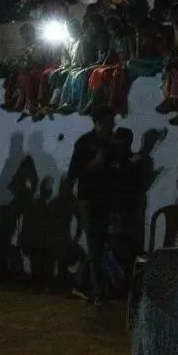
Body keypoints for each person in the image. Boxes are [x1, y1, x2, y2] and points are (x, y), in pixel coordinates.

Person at [67, 106, 117, 306]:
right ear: (98, 123)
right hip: (88, 199)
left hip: (106, 199)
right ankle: (97, 292)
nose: (112, 128)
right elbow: (73, 173)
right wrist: (95, 163)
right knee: (95, 244)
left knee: (98, 245)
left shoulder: (111, 145)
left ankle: (80, 284)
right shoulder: (84, 144)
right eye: (109, 124)